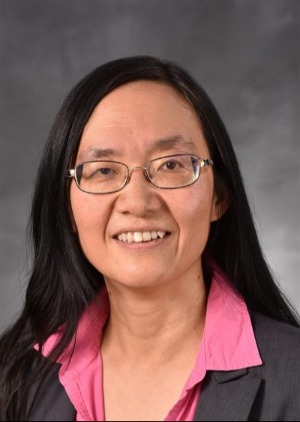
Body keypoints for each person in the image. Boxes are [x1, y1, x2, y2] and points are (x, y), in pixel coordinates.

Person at [0, 56, 299, 422]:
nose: (138, 203)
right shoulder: (17, 376)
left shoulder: (293, 376)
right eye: (104, 170)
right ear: (68, 209)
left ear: (218, 196)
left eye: (172, 164)